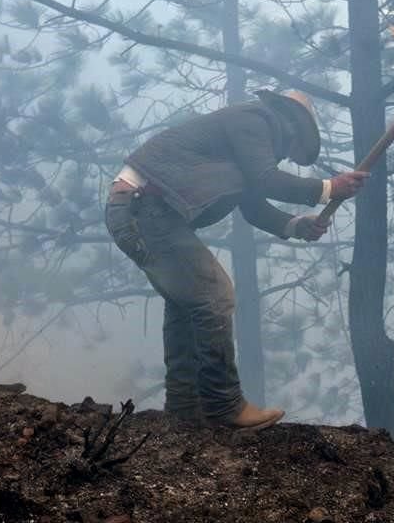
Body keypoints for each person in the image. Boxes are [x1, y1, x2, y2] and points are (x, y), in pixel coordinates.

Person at [104, 89, 368, 430]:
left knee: (189, 303)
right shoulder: (254, 120)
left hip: (142, 211)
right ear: (291, 123)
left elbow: (254, 204)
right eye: (291, 148)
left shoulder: (244, 140)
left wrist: (295, 225)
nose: (286, 155)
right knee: (215, 296)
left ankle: (183, 410)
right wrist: (328, 188)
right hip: (147, 208)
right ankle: (224, 407)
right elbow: (266, 181)